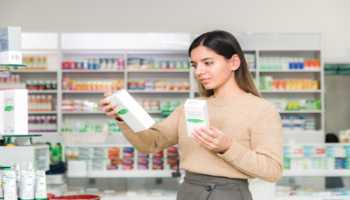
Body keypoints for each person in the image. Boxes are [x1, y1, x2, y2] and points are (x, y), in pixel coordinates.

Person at [100, 30, 283, 200]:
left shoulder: (261, 109)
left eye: (208, 62)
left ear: (234, 62)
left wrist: (227, 147)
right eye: (194, 65)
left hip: (229, 194)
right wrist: (124, 117)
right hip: (189, 190)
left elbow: (272, 170)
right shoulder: (190, 107)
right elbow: (152, 142)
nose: (199, 72)